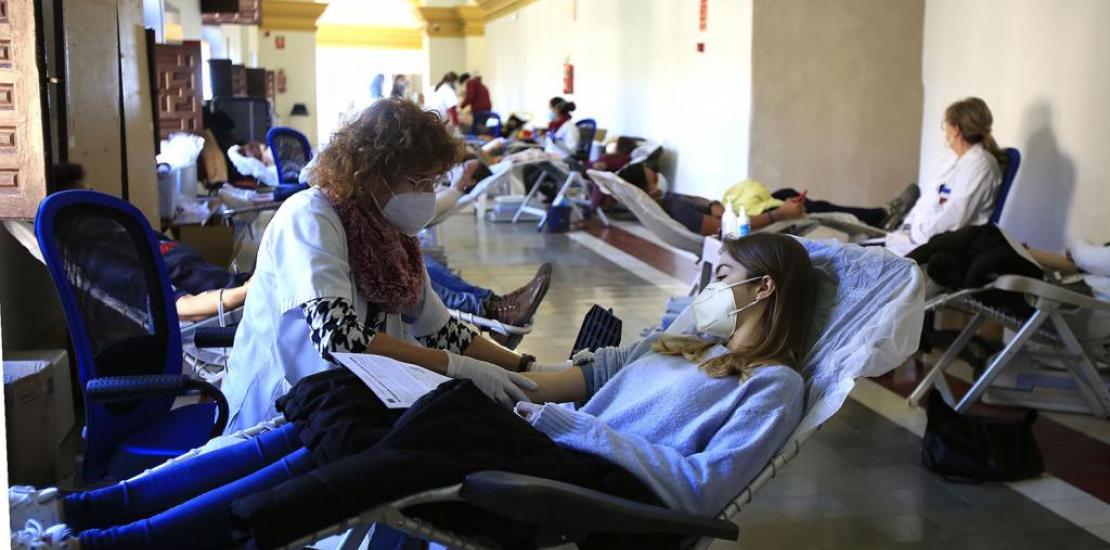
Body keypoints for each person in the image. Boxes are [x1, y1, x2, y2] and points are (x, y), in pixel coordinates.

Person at [10, 233, 810, 550]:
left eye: (722, 278)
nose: (705, 286)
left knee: (434, 417)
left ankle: (104, 542)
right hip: (554, 439)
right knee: (335, 396)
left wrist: (558, 418)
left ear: (764, 291)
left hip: (604, 484)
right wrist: (541, 399)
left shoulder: (773, 386)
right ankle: (81, 514)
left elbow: (703, 487)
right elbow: (584, 396)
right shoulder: (673, 346)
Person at [221, 98, 541, 433]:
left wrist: (528, 367)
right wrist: (457, 367)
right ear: (373, 174)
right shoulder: (309, 217)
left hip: (342, 407)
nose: (428, 194)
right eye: (419, 182)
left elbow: (442, 330)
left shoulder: (388, 230)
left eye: (434, 182)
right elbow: (338, 336)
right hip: (276, 418)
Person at [885, 97, 1004, 256]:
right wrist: (908, 227)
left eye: (945, 125)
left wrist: (915, 233)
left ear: (955, 129)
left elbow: (954, 217)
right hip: (918, 237)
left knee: (860, 260)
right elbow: (932, 198)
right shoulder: (956, 160)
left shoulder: (981, 164)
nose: (945, 132)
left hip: (938, 246)